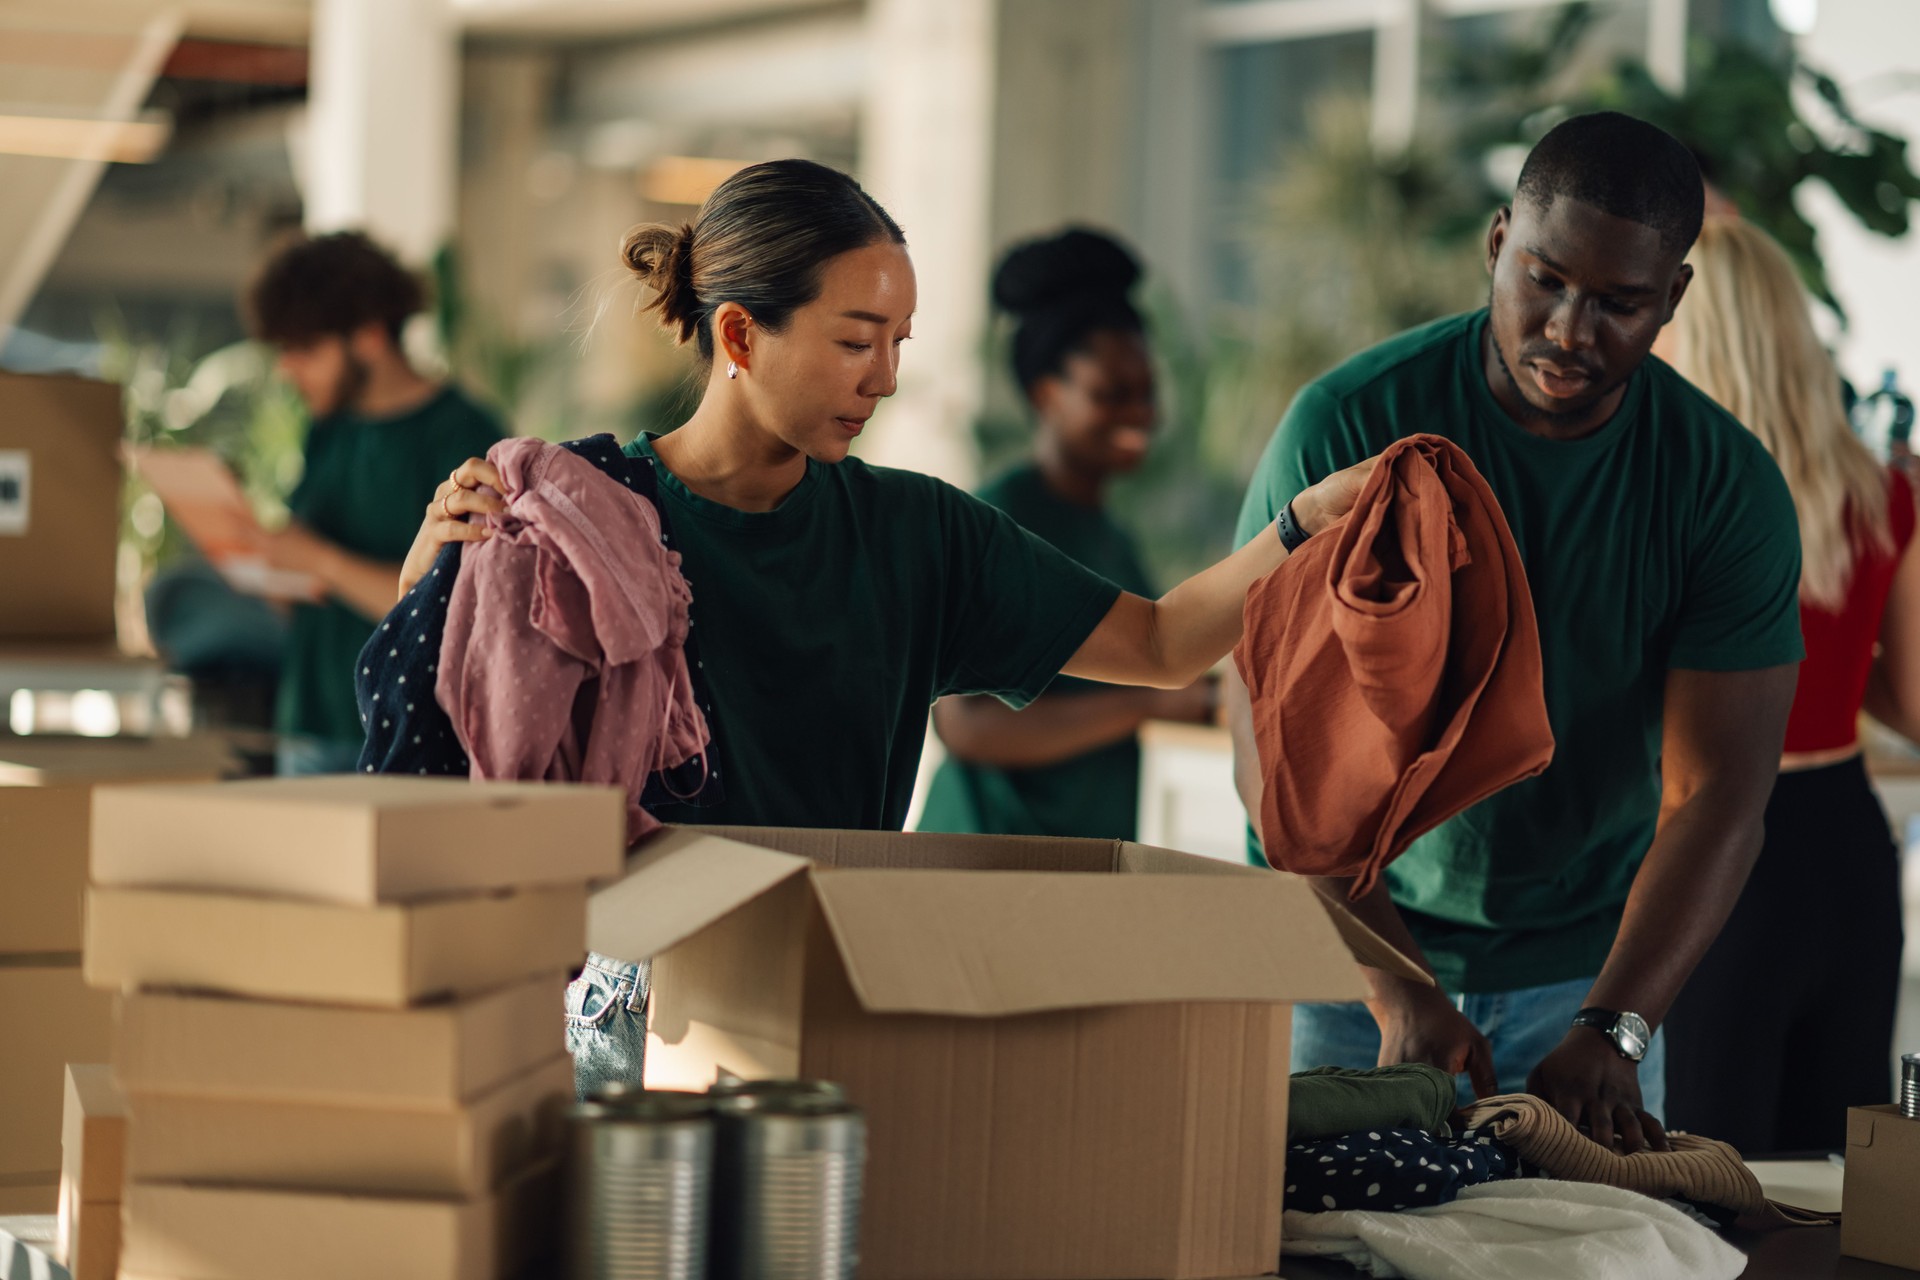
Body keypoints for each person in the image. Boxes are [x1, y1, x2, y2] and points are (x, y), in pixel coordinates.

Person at [395, 159, 1373, 1091]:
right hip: (629, 1018)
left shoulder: (920, 534)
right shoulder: (576, 516)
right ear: (739, 336)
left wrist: (1304, 522)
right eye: (857, 342)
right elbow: (456, 734)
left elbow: (1161, 644)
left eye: (899, 342)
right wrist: (429, 568)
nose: (886, 378)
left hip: (836, 994)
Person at [1224, 112, 1805, 1155]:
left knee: (1590, 1241)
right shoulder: (1349, 425)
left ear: (1673, 296)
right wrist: (1397, 989)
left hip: (1588, 978)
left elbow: (1719, 793)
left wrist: (1616, 1026)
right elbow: (1269, 748)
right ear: (1497, 244)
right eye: (1544, 279)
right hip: (1347, 951)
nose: (1571, 331)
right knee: (1311, 1235)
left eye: (1620, 303)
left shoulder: (1724, 487)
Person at [1657, 217, 1917, 1155]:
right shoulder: (1885, 492)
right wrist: (1834, 674)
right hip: (1845, 848)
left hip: (1707, 846)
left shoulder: (1675, 493)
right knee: (1839, 1182)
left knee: (1701, 1175)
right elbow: (1913, 701)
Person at [917, 228, 1214, 840]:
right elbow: (967, 725)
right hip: (985, 858)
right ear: (1045, 393)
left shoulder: (1112, 536)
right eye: (1113, 393)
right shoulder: (998, 520)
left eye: (1147, 392)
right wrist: (1151, 703)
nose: (1142, 414)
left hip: (1075, 863)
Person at [245, 231, 504, 776]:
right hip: (307, 724)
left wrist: (321, 561)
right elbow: (301, 585)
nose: (287, 369)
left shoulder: (464, 438)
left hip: (401, 735)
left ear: (368, 336)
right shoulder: (328, 430)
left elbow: (458, 609)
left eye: (305, 349)